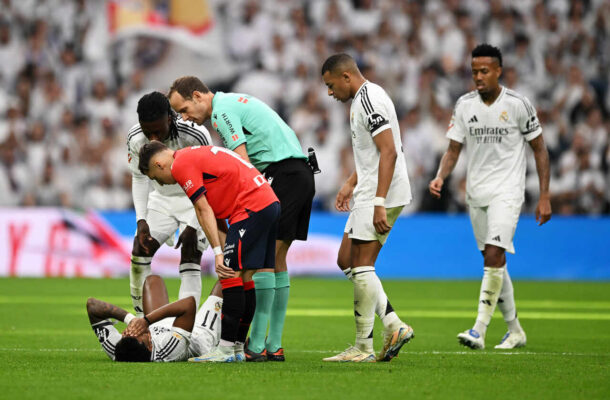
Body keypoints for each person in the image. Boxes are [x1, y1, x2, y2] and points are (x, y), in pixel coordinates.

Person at [166, 76, 315, 361]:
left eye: (184, 109)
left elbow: (243, 162)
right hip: (300, 173)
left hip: (281, 174)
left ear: (197, 95)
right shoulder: (234, 101)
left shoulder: (222, 112)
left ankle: (257, 344)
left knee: (260, 263)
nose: (186, 118)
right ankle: (271, 344)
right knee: (275, 259)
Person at [428, 44, 551, 350]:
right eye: (474, 72)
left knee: (495, 254)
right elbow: (453, 149)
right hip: (476, 193)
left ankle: (479, 329)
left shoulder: (519, 104)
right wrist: (441, 176)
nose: (478, 77)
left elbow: (540, 149)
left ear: (499, 71)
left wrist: (545, 195)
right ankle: (515, 330)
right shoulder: (464, 105)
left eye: (484, 71)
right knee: (492, 261)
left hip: (507, 192)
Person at [138, 142, 280, 363]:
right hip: (268, 203)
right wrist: (224, 246)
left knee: (229, 276)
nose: (161, 183)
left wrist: (217, 252)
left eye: (155, 177)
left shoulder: (180, 165)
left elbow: (203, 210)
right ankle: (238, 349)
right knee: (246, 277)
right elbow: (216, 210)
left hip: (250, 208)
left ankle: (224, 350)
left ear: (158, 164)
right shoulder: (194, 155)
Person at [320, 53, 414, 362]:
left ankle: (365, 346)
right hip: (369, 187)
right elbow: (373, 152)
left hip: (380, 191)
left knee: (362, 266)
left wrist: (379, 202)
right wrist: (350, 182)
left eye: (331, 86)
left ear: (346, 76)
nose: (330, 93)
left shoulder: (369, 99)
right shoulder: (362, 99)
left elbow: (389, 152)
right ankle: (392, 325)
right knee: (346, 259)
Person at [126, 91, 212, 317]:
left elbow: (210, 180)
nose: (153, 138)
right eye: (148, 131)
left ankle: (185, 327)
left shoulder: (196, 134)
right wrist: (141, 220)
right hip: (162, 199)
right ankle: (141, 322)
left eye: (158, 130)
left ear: (170, 118)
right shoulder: (135, 138)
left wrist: (194, 224)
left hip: (195, 199)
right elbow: (139, 178)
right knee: (139, 251)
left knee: (191, 254)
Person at [87, 275, 223, 362]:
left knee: (152, 281)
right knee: (226, 280)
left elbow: (92, 305)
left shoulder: (117, 349)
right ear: (150, 346)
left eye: (126, 333)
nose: (133, 330)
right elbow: (189, 304)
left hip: (162, 325)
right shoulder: (168, 351)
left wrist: (130, 319)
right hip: (199, 332)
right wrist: (146, 321)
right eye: (140, 333)